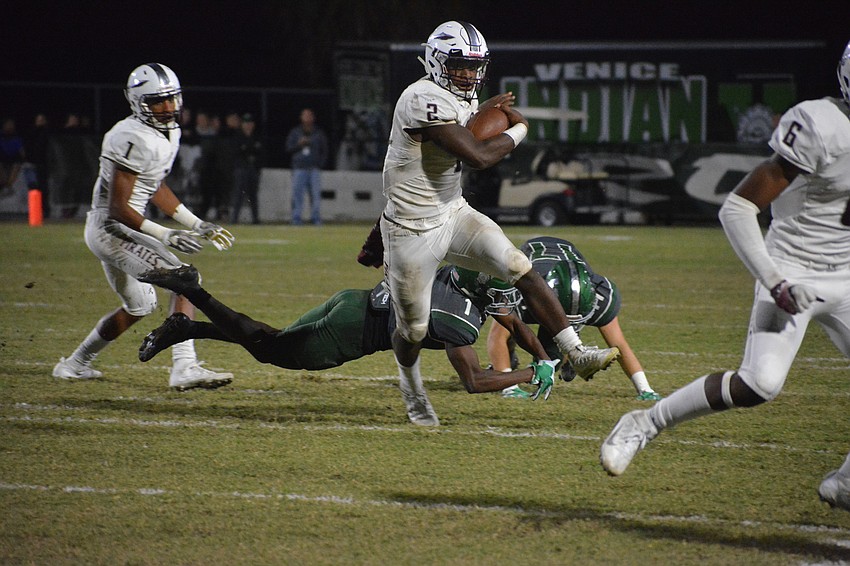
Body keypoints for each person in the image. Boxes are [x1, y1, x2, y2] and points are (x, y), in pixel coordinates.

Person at [599, 42, 850, 513]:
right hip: (792, 268)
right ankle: (643, 423)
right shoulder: (822, 125)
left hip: (847, 273)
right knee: (759, 384)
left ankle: (845, 484)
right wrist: (776, 281)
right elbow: (737, 207)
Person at [372, 21, 620, 426]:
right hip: (410, 232)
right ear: (436, 61)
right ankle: (410, 382)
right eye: (459, 65)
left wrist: (487, 112)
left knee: (519, 266)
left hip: (453, 214)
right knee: (414, 330)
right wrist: (519, 128)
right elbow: (479, 157)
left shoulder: (460, 99)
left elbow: (474, 131)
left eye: (474, 66)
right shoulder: (420, 98)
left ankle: (576, 351)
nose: (468, 75)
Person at [136, 263, 560, 423]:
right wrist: (530, 373)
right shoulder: (459, 321)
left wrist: (542, 356)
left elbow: (515, 322)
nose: (508, 310)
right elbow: (474, 381)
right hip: (354, 332)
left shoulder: (463, 275)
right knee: (270, 350)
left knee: (273, 339)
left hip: (354, 301)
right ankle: (193, 293)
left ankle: (185, 327)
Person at [52, 63, 236, 391]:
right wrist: (166, 234)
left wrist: (196, 223)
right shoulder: (130, 136)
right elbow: (118, 207)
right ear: (138, 102)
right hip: (111, 228)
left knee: (140, 306)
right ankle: (184, 366)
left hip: (121, 228)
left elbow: (155, 187)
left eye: (172, 99)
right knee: (186, 280)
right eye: (158, 102)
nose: (168, 108)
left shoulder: (170, 132)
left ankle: (74, 364)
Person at [487, 236, 661, 401]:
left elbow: (619, 345)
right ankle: (510, 360)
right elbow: (497, 336)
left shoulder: (601, 297)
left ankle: (569, 357)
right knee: (508, 328)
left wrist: (645, 389)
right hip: (531, 263)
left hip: (565, 264)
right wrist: (510, 387)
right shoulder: (523, 290)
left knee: (550, 359)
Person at [285, 108, 328, 225]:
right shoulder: (295, 132)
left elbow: (324, 150)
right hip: (299, 169)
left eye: (310, 115)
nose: (307, 118)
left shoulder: (318, 133)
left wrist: (320, 164)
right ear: (301, 117)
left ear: (313, 118)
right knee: (297, 195)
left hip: (314, 169)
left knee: (315, 196)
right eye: (305, 115)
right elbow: (288, 149)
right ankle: (296, 218)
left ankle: (316, 218)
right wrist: (299, 145)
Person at [229, 113, 264, 224]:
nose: (248, 125)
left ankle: (255, 219)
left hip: (253, 168)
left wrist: (247, 150)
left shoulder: (257, 136)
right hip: (241, 168)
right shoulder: (238, 136)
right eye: (246, 123)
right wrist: (249, 150)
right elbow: (237, 152)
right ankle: (234, 218)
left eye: (250, 123)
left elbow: (259, 152)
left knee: (253, 195)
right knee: (238, 194)